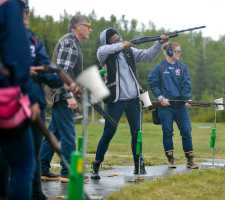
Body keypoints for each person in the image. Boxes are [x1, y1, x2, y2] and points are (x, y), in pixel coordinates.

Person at [90, 28, 168, 179]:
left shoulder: (129, 51)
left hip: (133, 99)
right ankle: (96, 165)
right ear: (107, 40)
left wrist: (159, 43)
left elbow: (148, 55)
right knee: (108, 133)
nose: (117, 38)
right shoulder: (104, 53)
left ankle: (139, 164)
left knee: (137, 133)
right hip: (115, 100)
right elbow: (105, 49)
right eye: (113, 37)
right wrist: (123, 44)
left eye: (117, 36)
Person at [40, 14, 92, 183]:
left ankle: (42, 168)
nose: (90, 28)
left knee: (53, 132)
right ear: (76, 26)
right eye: (87, 25)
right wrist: (69, 95)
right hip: (62, 94)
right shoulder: (70, 43)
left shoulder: (73, 42)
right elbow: (62, 72)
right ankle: (68, 171)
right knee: (68, 133)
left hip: (60, 93)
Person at [0, 0, 40, 199]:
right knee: (23, 165)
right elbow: (18, 55)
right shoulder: (9, 5)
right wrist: (31, 97)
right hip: (6, 97)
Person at [23, 8, 63, 199]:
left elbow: (51, 74)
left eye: (25, 11)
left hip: (36, 106)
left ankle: (36, 193)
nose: (24, 16)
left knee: (33, 153)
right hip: (9, 105)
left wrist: (42, 72)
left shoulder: (33, 40)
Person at [148, 42, 198, 169]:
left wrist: (186, 99)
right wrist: (160, 97)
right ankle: (170, 158)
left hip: (180, 106)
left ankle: (190, 160)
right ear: (170, 52)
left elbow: (187, 84)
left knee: (186, 130)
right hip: (165, 106)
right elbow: (153, 82)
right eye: (177, 51)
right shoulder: (159, 67)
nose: (180, 53)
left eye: (180, 51)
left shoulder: (182, 67)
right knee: (167, 131)